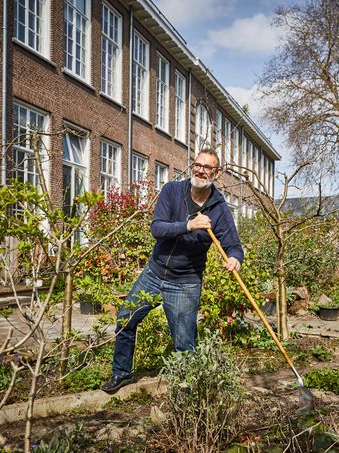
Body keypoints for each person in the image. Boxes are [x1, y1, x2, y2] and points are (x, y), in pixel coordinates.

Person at [101, 149, 243, 394]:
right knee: (126, 319)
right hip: (154, 272)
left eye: (207, 167)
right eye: (197, 165)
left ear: (216, 173)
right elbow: (157, 228)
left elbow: (233, 244)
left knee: (185, 341)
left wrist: (234, 258)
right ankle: (121, 373)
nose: (200, 170)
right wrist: (189, 225)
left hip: (186, 281)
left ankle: (185, 392)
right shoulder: (172, 191)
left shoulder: (219, 208)